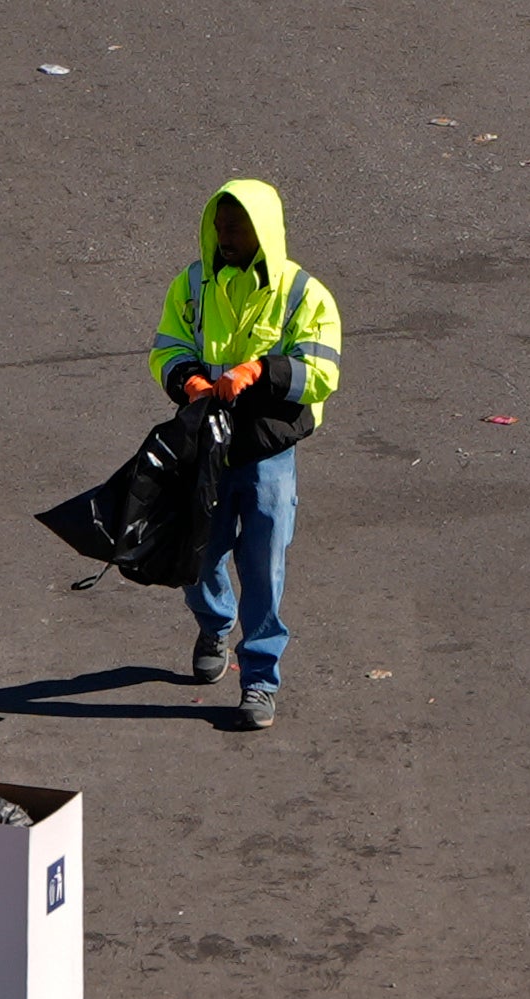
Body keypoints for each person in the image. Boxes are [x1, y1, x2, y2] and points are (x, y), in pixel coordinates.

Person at [148, 180, 342, 730]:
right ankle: (214, 622)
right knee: (196, 555)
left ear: (264, 233)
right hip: (204, 446)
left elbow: (323, 371)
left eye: (237, 227)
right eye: (220, 225)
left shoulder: (304, 294)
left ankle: (259, 678)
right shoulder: (191, 284)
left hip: (265, 455)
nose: (226, 236)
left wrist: (261, 371)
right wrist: (186, 379)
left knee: (262, 570)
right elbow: (168, 347)